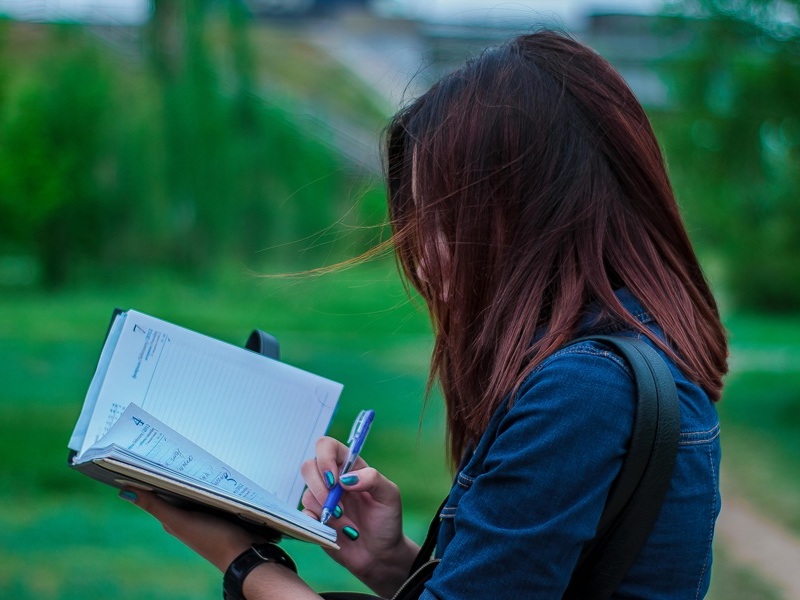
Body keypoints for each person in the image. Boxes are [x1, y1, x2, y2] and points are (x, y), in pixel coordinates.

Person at [121, 29, 728, 599]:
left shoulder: (583, 390)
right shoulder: (634, 355)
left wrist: (245, 561)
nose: (423, 255)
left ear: (521, 209)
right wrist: (395, 562)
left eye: (439, 219)